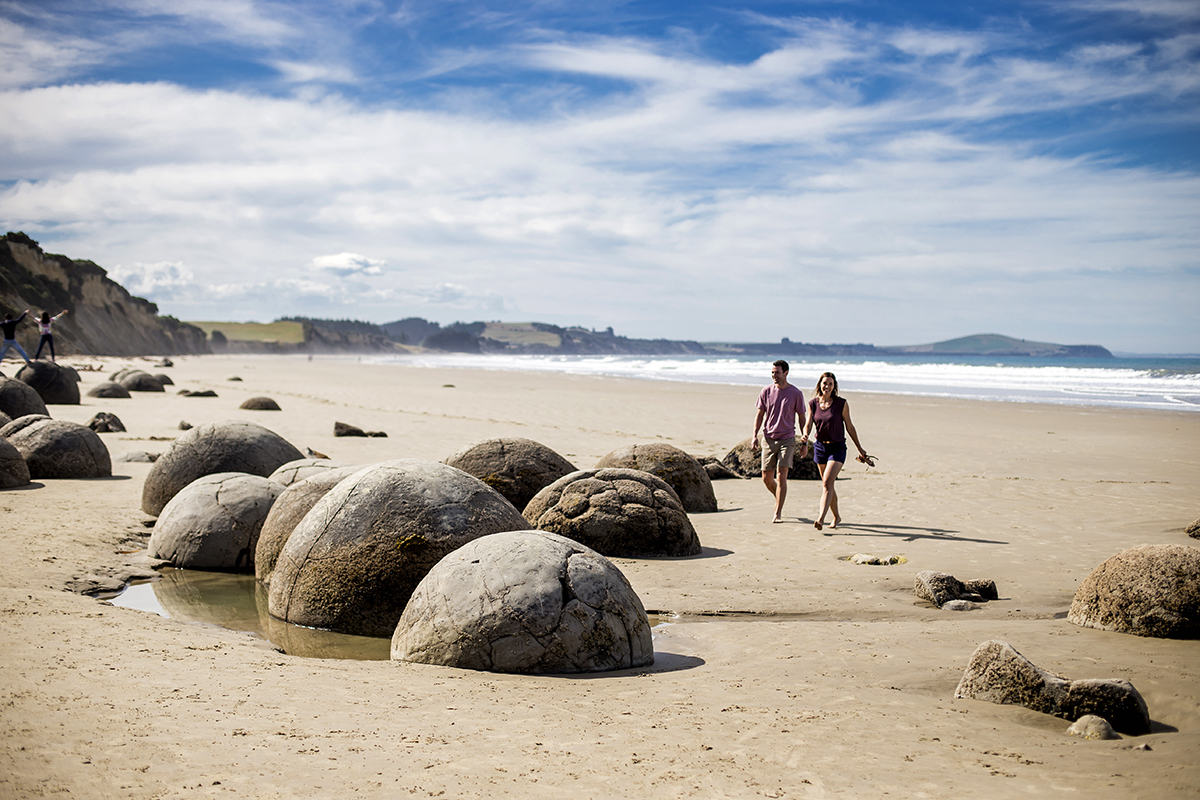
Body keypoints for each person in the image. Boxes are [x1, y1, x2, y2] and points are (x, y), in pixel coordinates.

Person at [802, 371, 869, 530]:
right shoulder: (813, 403)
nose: (827, 386)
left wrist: (860, 449)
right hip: (820, 447)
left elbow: (850, 427)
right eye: (825, 383)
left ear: (834, 387)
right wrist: (805, 434)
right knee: (829, 484)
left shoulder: (841, 404)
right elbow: (808, 423)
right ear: (820, 384)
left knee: (826, 482)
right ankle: (837, 516)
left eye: (830, 384)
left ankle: (820, 518)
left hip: (837, 448)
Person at [751, 359, 808, 523]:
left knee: (782, 475)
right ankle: (779, 497)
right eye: (772, 372)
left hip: (787, 439)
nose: (774, 375)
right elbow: (760, 415)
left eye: (777, 372)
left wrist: (804, 441)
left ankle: (777, 513)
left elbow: (802, 418)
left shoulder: (796, 393)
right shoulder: (766, 391)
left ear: (786, 373)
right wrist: (755, 435)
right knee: (766, 478)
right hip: (768, 439)